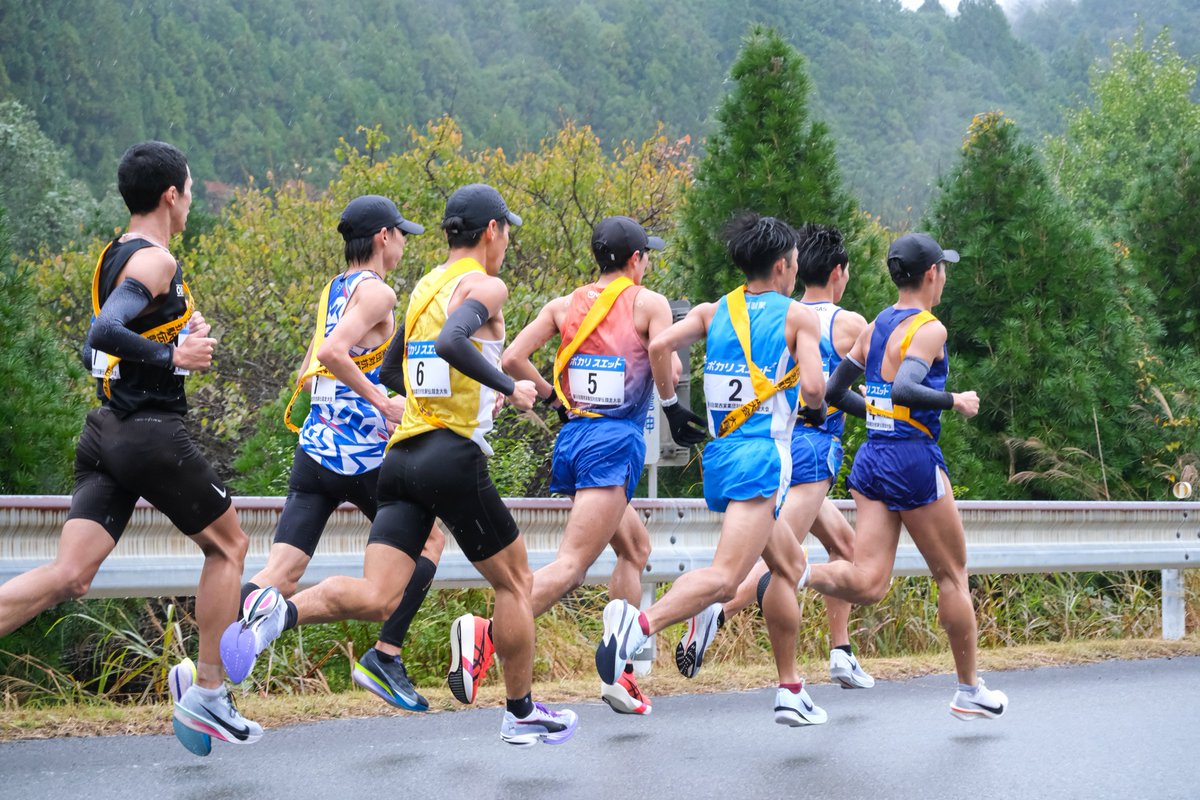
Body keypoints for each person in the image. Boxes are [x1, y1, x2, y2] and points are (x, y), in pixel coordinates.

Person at [226, 183, 577, 746]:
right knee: (517, 582)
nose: (507, 242)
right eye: (505, 230)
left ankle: (277, 615)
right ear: (491, 231)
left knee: (379, 595)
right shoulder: (486, 284)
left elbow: (392, 371)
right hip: (451, 455)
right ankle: (520, 712)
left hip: (401, 459)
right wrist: (509, 388)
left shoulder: (419, 289)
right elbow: (452, 343)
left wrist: (423, 401)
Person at [0, 141, 263, 746]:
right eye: (191, 192)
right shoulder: (155, 260)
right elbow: (102, 331)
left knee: (70, 574)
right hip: (149, 434)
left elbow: (105, 346)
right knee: (230, 546)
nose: (192, 202)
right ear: (171, 196)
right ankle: (210, 696)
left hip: (106, 434)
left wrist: (179, 341)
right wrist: (174, 355)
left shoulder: (114, 254)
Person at [596, 212, 830, 726]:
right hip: (763, 459)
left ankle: (790, 689)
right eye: (792, 263)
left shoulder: (712, 310)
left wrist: (671, 407)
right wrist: (812, 403)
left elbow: (659, 346)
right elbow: (814, 389)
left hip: (721, 457)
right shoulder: (798, 317)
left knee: (788, 568)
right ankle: (638, 627)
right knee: (727, 578)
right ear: (783, 266)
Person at [443, 215, 673, 717]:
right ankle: (482, 634)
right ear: (636, 260)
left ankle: (620, 674)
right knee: (571, 567)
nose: (648, 263)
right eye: (647, 256)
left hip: (574, 439)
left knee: (635, 547)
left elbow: (513, 359)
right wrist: (671, 383)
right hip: (614, 443)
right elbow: (665, 363)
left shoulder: (564, 304)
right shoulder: (648, 303)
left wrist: (553, 399)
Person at [220, 195, 442, 713]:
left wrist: (335, 405)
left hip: (315, 453)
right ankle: (386, 655)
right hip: (364, 459)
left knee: (280, 572)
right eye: (402, 233)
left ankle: (206, 665)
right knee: (429, 540)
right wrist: (381, 401)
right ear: (384, 237)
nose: (406, 243)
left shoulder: (334, 291)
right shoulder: (380, 294)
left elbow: (309, 371)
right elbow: (329, 355)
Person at [807, 232, 1009, 720]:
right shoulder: (930, 328)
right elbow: (905, 384)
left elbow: (835, 390)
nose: (944, 278)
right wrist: (953, 400)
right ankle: (967, 688)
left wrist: (880, 415)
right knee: (952, 575)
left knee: (869, 580)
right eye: (944, 270)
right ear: (932, 274)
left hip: (873, 458)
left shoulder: (876, 325)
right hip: (913, 460)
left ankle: (792, 573)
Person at [675, 223, 875, 690]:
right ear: (840, 272)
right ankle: (714, 610)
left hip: (780, 441)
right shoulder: (848, 323)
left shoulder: (778, 311)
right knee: (781, 560)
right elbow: (834, 388)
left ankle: (841, 650)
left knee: (844, 547)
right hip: (804, 447)